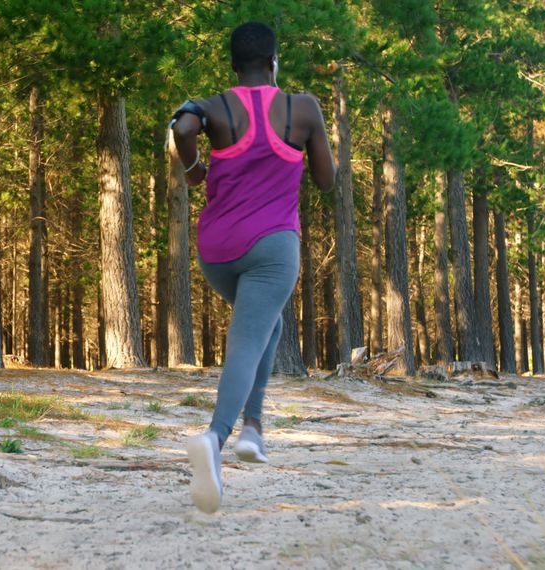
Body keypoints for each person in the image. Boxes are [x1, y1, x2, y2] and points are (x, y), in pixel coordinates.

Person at [170, 21, 336, 514]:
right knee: (248, 337)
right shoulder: (302, 108)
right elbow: (326, 181)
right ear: (273, 61)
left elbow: (181, 129)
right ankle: (216, 439)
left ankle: (254, 429)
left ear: (233, 65)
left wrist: (194, 168)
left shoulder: (214, 106)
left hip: (217, 250)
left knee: (269, 323)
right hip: (272, 247)